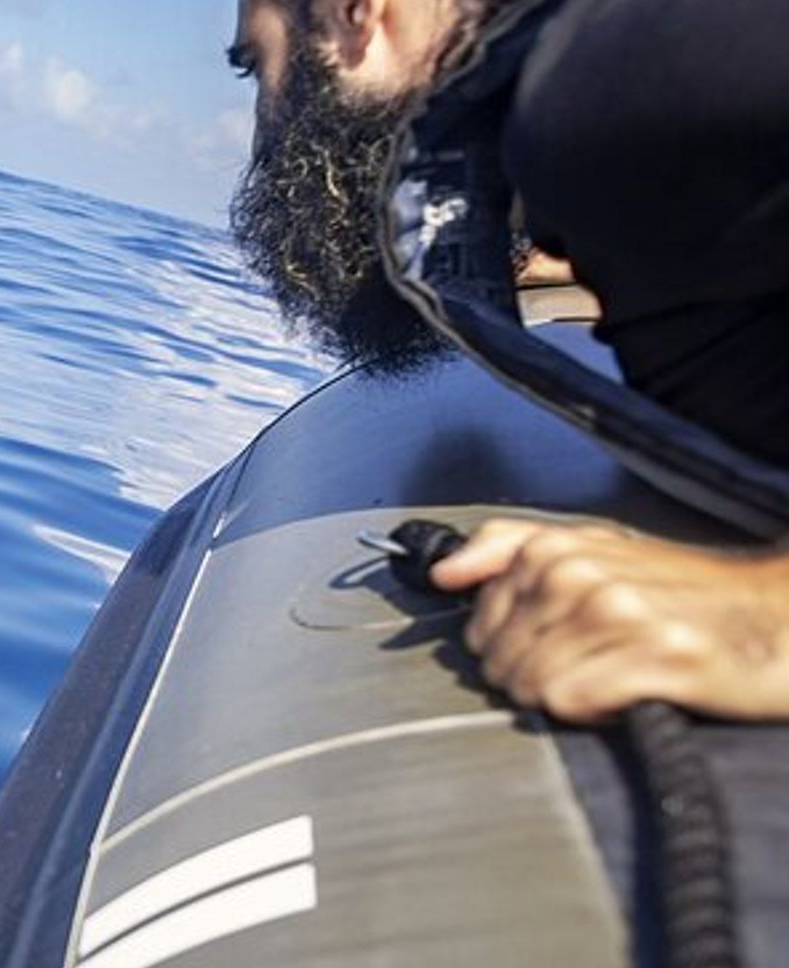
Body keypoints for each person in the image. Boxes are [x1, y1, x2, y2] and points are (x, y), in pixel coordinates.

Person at [223, 0, 789, 723]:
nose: (263, 134)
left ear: (352, 13)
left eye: (256, 67)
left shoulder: (606, 83)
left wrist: (764, 620)